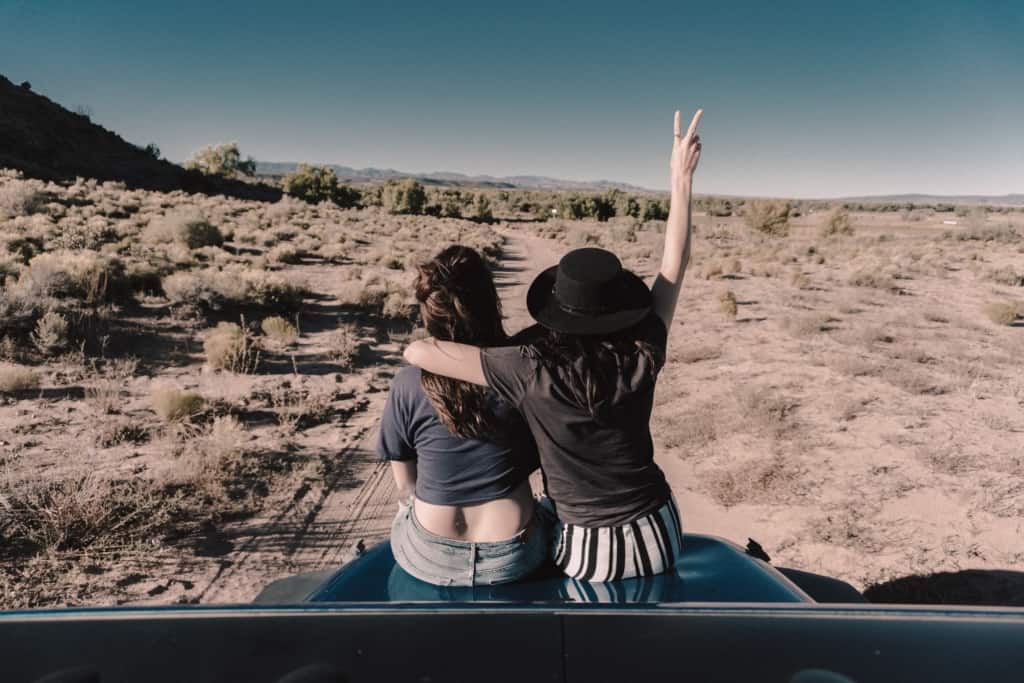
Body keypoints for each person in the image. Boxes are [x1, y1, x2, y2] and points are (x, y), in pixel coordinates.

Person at [403, 109, 703, 581]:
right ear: (621, 308)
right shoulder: (644, 348)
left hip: (588, 550)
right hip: (660, 532)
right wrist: (680, 178)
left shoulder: (529, 365)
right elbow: (674, 264)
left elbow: (419, 352)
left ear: (558, 309)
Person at [378, 245, 548, 587]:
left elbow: (405, 483)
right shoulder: (521, 374)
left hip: (428, 555)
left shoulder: (408, 383)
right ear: (491, 305)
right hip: (513, 556)